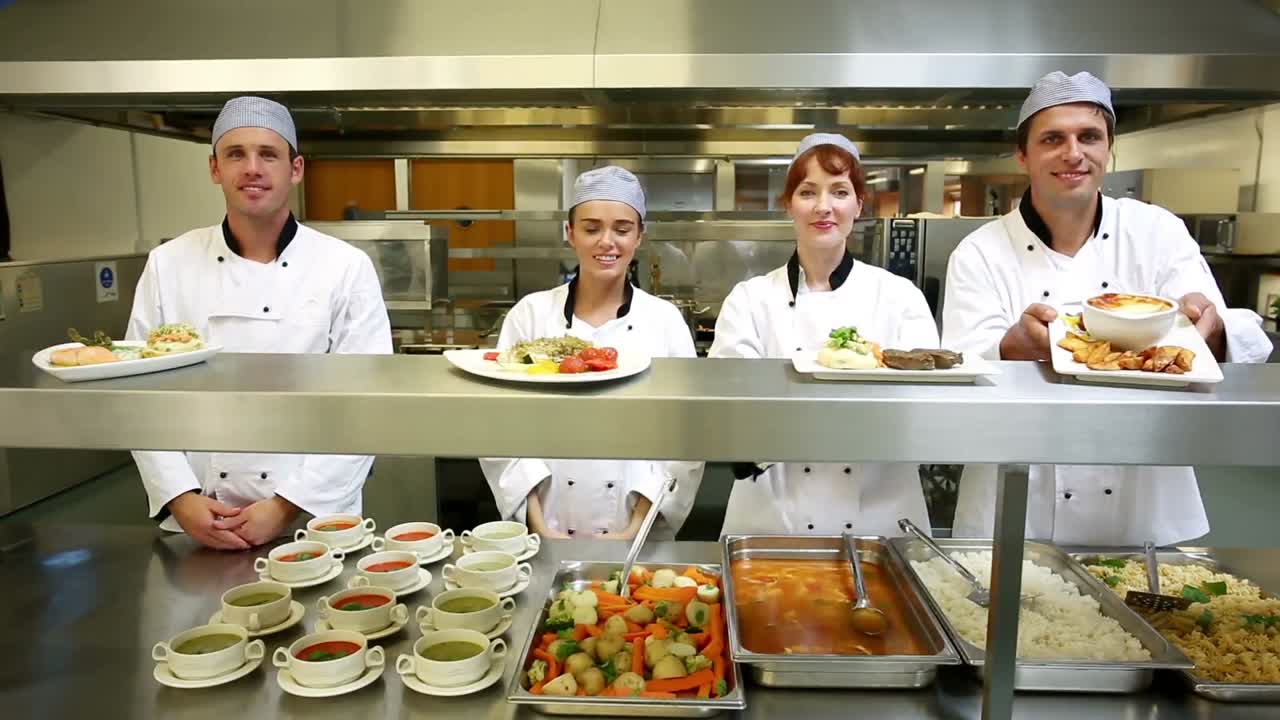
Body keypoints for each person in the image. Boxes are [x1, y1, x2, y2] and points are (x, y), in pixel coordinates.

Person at [942, 71, 1273, 546]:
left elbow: (1222, 334)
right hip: (1022, 495)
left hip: (1142, 493)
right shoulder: (981, 252)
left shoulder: (1157, 232)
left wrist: (1212, 330)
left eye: (1089, 137)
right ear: (1024, 155)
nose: (1072, 153)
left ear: (1109, 148)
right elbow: (960, 364)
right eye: (1052, 138)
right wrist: (1008, 347)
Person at [127, 96, 392, 550]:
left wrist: (284, 506)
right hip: (201, 522)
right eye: (236, 154)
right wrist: (180, 498)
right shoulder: (168, 264)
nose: (252, 168)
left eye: (268, 154)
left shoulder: (344, 267)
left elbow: (365, 406)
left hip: (316, 523)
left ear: (295, 169)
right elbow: (136, 392)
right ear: (215, 169)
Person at [710, 133, 936, 536]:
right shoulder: (750, 300)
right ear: (788, 205)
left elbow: (925, 406)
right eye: (807, 192)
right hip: (772, 517)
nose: (823, 207)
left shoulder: (899, 297)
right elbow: (728, 405)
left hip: (879, 516)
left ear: (859, 205)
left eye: (840, 191)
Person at [480, 166, 701, 540]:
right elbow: (500, 426)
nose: (607, 242)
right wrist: (539, 525)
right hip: (546, 524)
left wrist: (634, 529)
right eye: (591, 228)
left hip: (638, 533)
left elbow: (684, 435)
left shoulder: (664, 322)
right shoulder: (531, 315)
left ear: (640, 235)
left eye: (622, 228)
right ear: (570, 233)